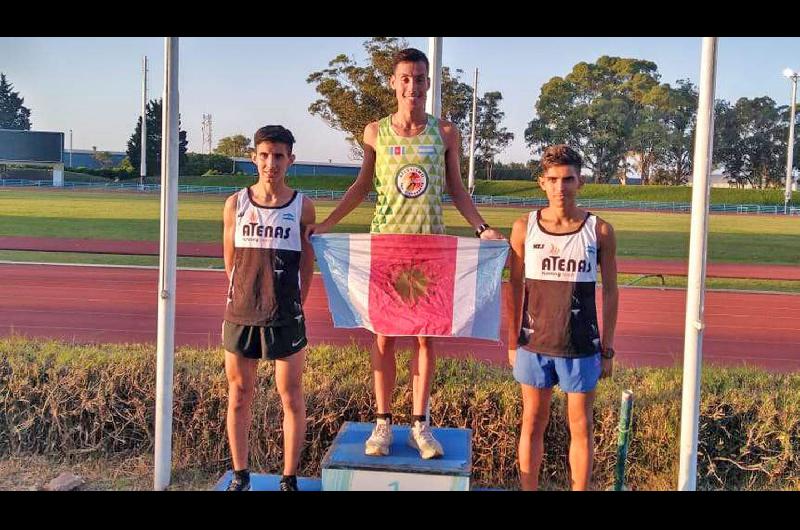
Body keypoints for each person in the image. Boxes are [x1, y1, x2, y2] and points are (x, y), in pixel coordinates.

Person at [306, 47, 504, 459]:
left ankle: (420, 424)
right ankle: (382, 423)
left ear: (428, 84)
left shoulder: (444, 133)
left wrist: (481, 227)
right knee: (383, 338)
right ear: (394, 83)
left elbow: (455, 188)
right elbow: (362, 185)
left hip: (431, 248)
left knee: (426, 339)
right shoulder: (375, 132)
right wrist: (327, 225)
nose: (413, 85)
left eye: (420, 78)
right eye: (405, 78)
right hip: (386, 249)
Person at [506, 144, 618, 490]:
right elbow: (513, 288)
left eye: (567, 179)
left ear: (579, 182)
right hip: (534, 344)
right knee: (532, 423)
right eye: (553, 179)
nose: (560, 188)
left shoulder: (599, 231)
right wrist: (512, 342)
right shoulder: (524, 228)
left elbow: (612, 291)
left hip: (581, 346)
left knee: (581, 427)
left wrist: (608, 349)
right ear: (541, 182)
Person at [222, 125, 315, 491]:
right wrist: (246, 294)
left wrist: (292, 304)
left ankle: (288, 477)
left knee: (290, 395)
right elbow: (231, 261)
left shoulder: (302, 206)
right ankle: (240, 475)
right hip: (241, 313)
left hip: (285, 316)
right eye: (264, 155)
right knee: (240, 394)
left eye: (278, 156)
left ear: (290, 159)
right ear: (254, 157)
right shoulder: (235, 204)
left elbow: (307, 267)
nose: (271, 163)